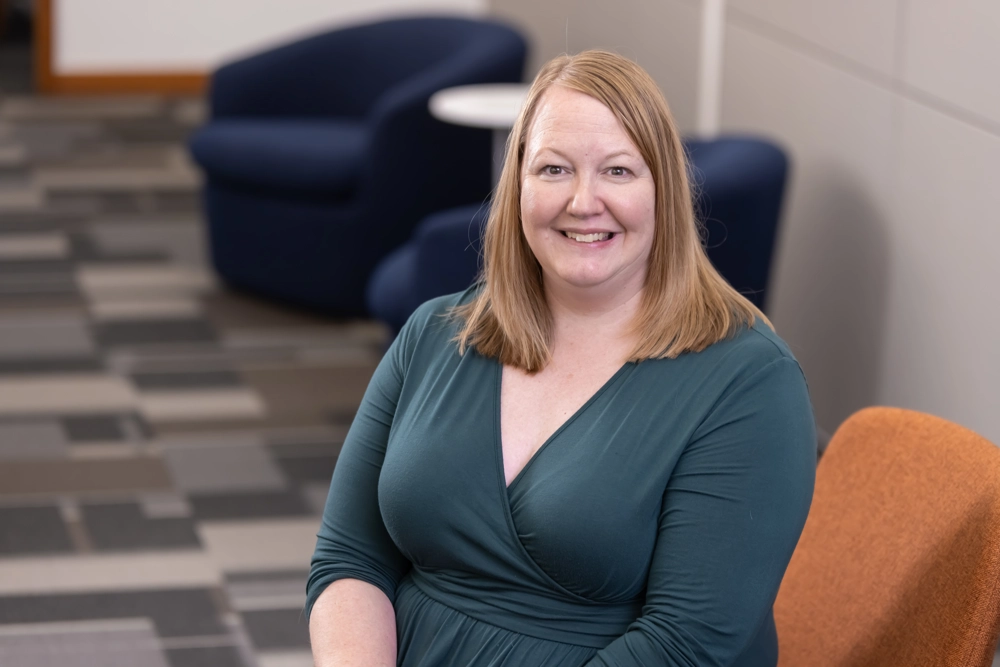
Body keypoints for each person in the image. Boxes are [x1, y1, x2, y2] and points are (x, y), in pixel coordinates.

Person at [307, 50, 816, 666]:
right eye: (553, 169)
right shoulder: (435, 334)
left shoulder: (749, 383)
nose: (583, 201)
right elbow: (350, 559)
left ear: (665, 191)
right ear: (516, 184)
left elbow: (688, 645)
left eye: (619, 172)